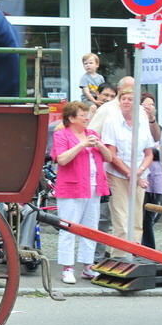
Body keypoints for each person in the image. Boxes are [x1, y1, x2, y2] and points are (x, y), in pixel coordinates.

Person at [51, 101, 112, 283]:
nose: (87, 118)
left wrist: (99, 145)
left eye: (87, 115)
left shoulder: (93, 134)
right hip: (71, 187)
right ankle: (67, 268)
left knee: (90, 228)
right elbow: (61, 159)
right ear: (71, 118)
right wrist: (82, 145)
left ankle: (87, 266)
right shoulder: (62, 135)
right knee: (68, 228)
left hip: (93, 187)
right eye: (83, 115)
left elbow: (109, 157)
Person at [101, 89, 155, 259]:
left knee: (137, 219)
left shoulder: (143, 120)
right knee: (121, 218)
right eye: (123, 98)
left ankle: (134, 254)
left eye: (130, 99)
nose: (126, 101)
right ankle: (120, 256)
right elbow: (112, 155)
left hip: (140, 176)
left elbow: (149, 153)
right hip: (118, 176)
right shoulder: (111, 121)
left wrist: (138, 173)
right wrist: (131, 174)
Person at [140, 92, 162, 250]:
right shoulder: (131, 123)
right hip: (139, 172)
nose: (149, 107)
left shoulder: (153, 123)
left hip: (154, 174)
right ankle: (146, 248)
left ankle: (147, 247)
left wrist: (151, 118)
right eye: (145, 104)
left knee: (150, 213)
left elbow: (158, 139)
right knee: (142, 215)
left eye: (152, 104)